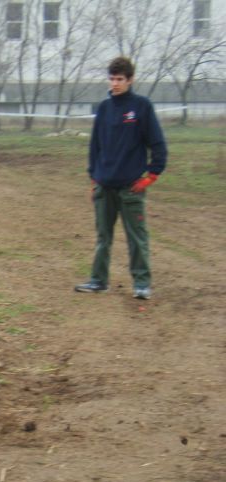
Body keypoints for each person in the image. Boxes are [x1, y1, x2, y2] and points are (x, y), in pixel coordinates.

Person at [75, 56, 167, 300]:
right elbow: (95, 146)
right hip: (104, 186)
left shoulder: (141, 107)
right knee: (103, 237)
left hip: (131, 188)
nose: (114, 84)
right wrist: (94, 178)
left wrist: (151, 176)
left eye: (119, 79)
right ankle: (98, 280)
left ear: (130, 80)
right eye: (112, 79)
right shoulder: (104, 109)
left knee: (137, 237)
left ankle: (141, 284)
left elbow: (158, 145)